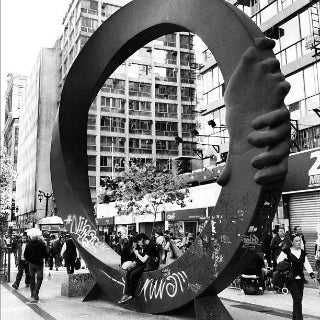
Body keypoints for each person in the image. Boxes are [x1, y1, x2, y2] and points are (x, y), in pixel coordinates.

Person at [277, 234, 316, 320]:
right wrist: (286, 267)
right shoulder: (286, 251)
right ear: (292, 242)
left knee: (298, 300)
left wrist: (312, 275)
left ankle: (295, 318)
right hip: (290, 278)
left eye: (300, 241)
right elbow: (278, 262)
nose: (299, 242)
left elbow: (307, 264)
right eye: (296, 241)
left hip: (300, 279)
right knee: (297, 298)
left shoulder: (302, 252)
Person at [118, 233, 159, 304]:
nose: (138, 244)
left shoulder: (151, 246)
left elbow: (144, 260)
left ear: (142, 239)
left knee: (133, 274)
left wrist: (137, 253)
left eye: (138, 242)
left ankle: (132, 295)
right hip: (144, 264)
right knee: (129, 272)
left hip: (149, 266)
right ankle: (127, 294)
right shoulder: (146, 246)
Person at [24, 232, 48, 302]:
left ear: (31, 237)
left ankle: (32, 293)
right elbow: (45, 254)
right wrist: (45, 260)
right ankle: (36, 292)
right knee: (40, 278)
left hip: (31, 264)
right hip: (39, 264)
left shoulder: (28, 245)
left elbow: (25, 255)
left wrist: (29, 260)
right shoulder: (42, 244)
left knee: (32, 278)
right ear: (37, 237)